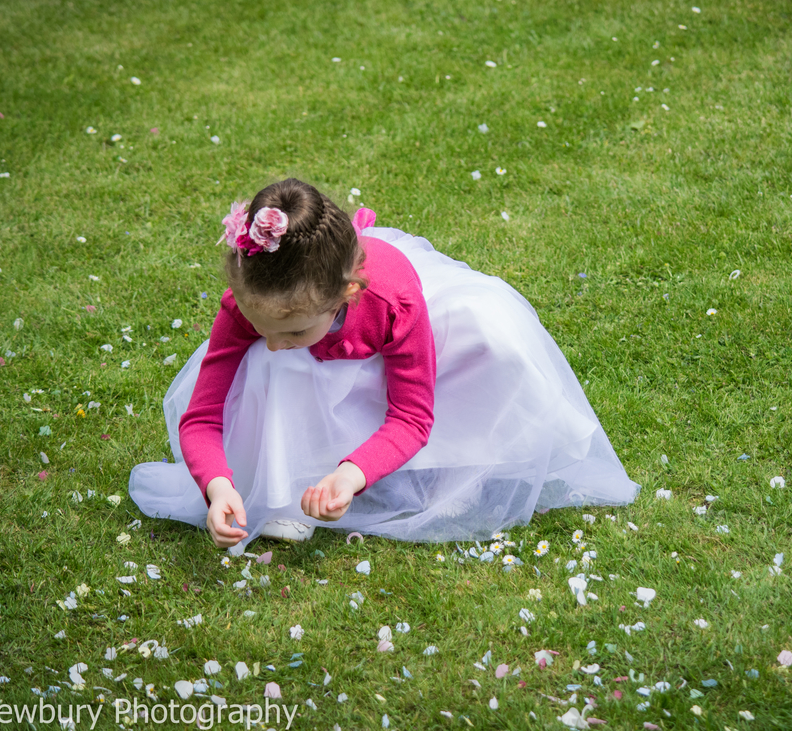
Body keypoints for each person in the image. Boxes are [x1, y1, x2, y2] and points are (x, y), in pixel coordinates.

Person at [129, 178, 639, 552]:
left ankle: (437, 466)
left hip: (399, 335)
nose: (275, 340)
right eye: (263, 327)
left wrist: (352, 474)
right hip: (329, 358)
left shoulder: (393, 303)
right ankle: (287, 486)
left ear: (346, 294)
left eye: (292, 330)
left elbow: (412, 415)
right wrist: (219, 486)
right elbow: (202, 415)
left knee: (494, 336)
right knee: (276, 366)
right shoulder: (257, 306)